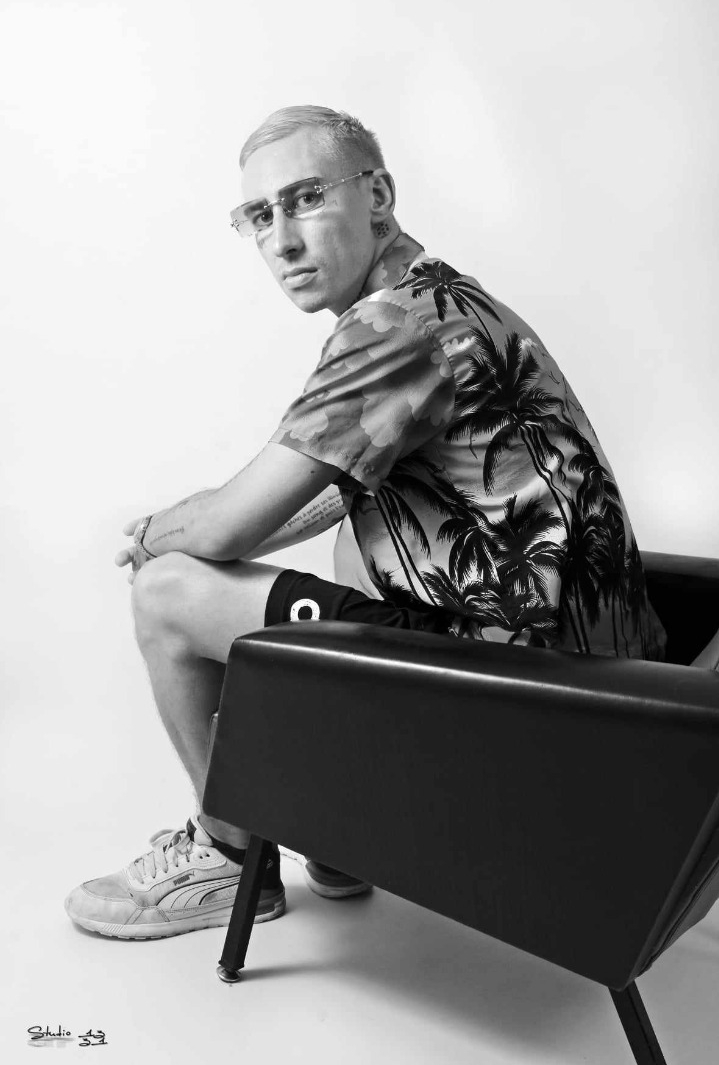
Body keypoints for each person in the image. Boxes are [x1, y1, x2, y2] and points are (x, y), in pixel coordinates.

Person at [64, 105, 666, 941]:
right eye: (258, 216)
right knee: (357, 526)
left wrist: (156, 537)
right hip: (613, 692)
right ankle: (342, 838)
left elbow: (230, 526)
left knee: (168, 593)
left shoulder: (392, 328)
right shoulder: (445, 296)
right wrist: (194, 530)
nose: (281, 240)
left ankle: (229, 857)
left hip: (526, 707)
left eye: (305, 198)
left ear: (377, 195)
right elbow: (324, 492)